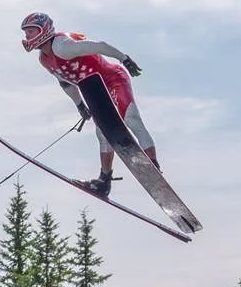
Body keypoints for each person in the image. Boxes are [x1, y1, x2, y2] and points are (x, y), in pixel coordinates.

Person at [20, 12, 158, 197]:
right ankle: (104, 181)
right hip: (95, 89)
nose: (27, 36)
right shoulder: (44, 60)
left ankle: (153, 165)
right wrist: (79, 105)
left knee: (130, 119)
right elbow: (66, 83)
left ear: (43, 30)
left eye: (30, 31)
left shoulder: (62, 47)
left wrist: (123, 58)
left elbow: (99, 46)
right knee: (103, 132)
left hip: (113, 79)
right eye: (26, 32)